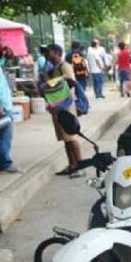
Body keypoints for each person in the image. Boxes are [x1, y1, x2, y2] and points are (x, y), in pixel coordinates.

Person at [39, 44, 83, 178]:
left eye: (49, 52)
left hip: (66, 107)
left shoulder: (65, 66)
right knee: (65, 138)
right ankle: (72, 165)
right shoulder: (53, 68)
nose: (46, 55)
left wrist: (49, 83)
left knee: (71, 137)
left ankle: (80, 166)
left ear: (57, 53)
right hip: (58, 108)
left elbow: (69, 82)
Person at [0, 50, 18, 174]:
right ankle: (4, 164)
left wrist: (5, 55)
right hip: (1, 106)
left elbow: (2, 62)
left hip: (3, 104)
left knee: (3, 136)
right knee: (4, 136)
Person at [68, 42, 91, 116]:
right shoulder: (81, 54)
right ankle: (83, 107)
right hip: (81, 75)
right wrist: (87, 73)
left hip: (73, 75)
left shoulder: (68, 55)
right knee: (81, 91)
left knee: (75, 93)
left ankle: (80, 107)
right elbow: (85, 64)